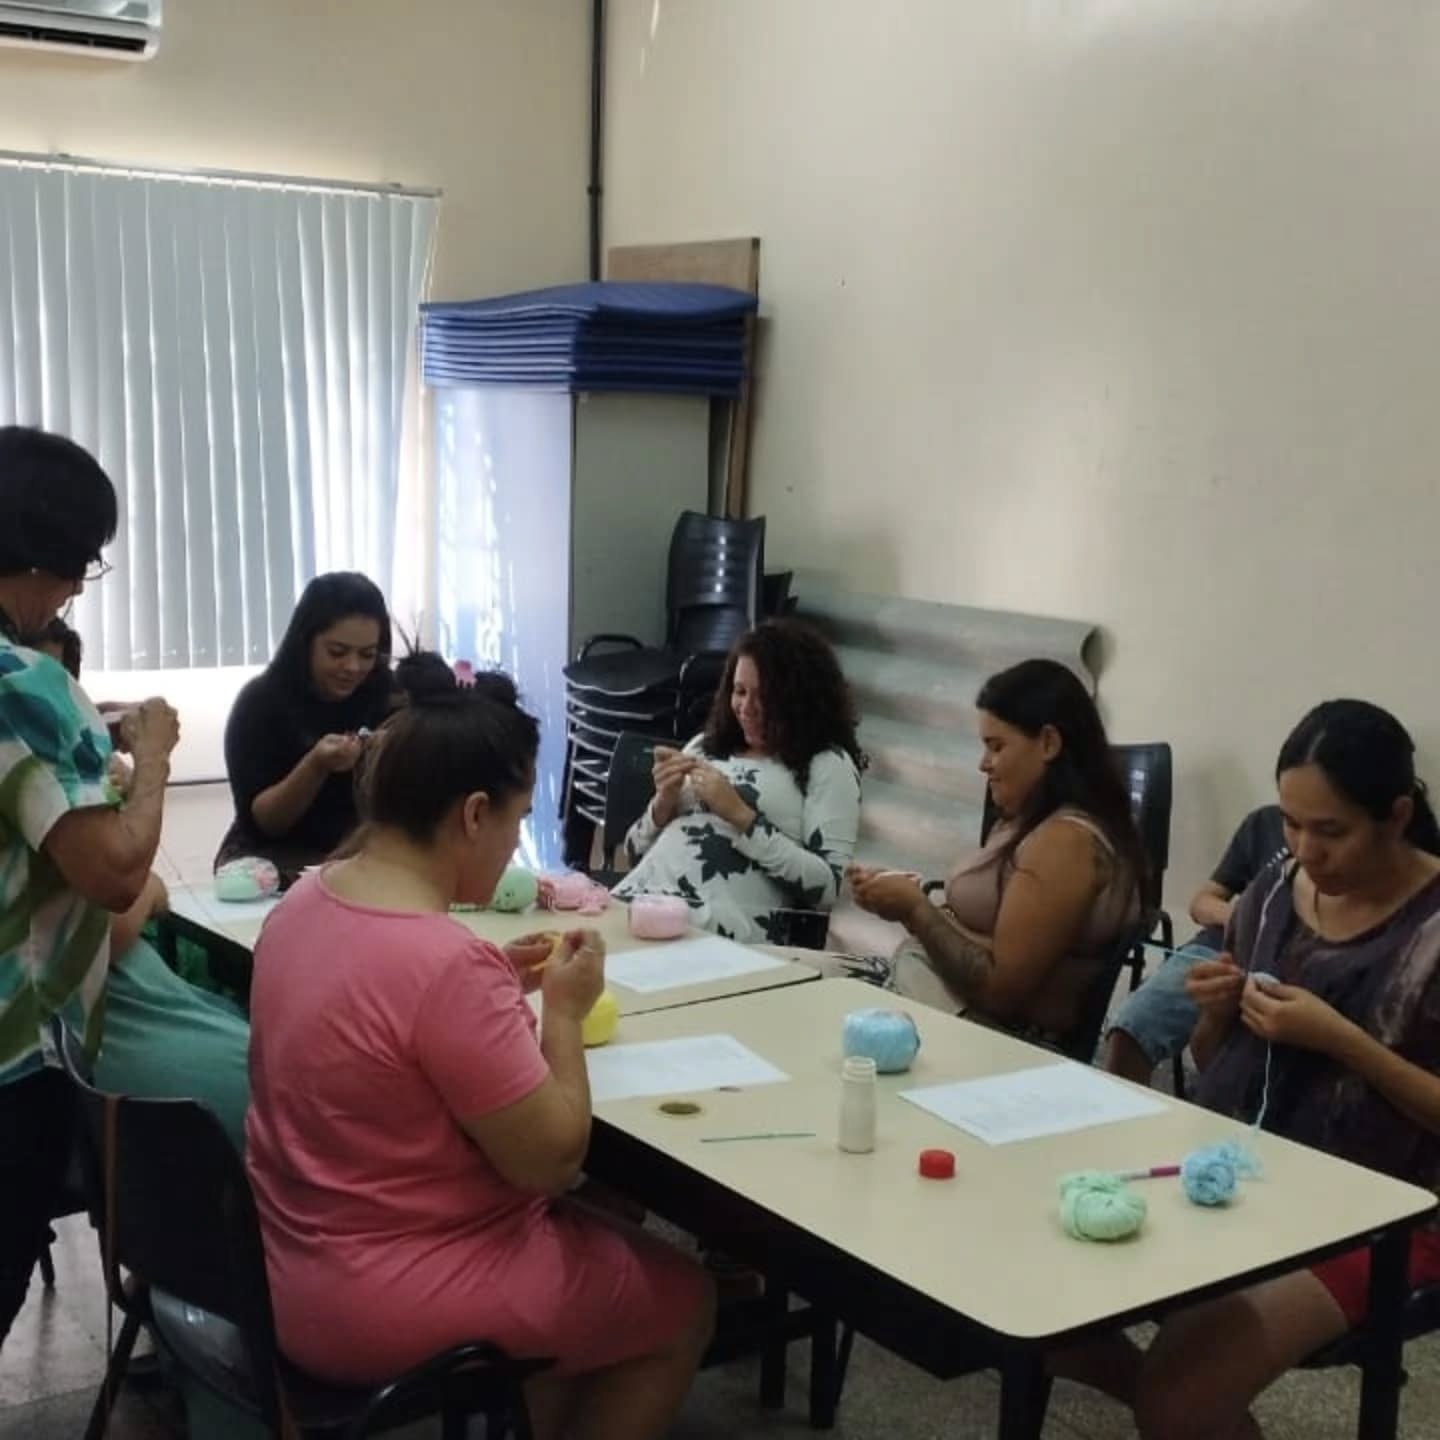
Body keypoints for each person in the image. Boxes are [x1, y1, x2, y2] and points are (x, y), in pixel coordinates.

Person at [245, 658, 713, 1439]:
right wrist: (562, 1015)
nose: (514, 842)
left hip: (285, 1267)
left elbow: (378, 1013)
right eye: (516, 818)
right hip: (387, 1294)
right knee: (685, 1300)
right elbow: (552, 1160)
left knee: (586, 1273)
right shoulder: (444, 965)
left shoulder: (303, 903)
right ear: (471, 815)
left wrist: (493, 979)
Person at [1060, 699, 1440, 1440]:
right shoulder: (1271, 894)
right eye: (1290, 824)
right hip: (1239, 1168)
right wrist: (1217, 1012)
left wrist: (1343, 1040)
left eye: (1330, 831)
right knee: (1047, 1302)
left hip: (1383, 1211)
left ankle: (1179, 1408)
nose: (1305, 850)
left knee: (1180, 1398)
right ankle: (1178, 1407)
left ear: (1397, 816)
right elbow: (1217, 1064)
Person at [0, 426, 180, 1345]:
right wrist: (153, 756)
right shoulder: (25, 681)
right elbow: (114, 871)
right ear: (40, 555)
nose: (74, 590)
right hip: (13, 1055)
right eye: (78, 565)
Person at [846, 658, 1142, 1044]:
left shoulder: (1066, 844)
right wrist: (912, 903)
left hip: (1001, 1039)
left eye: (996, 746)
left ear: (1048, 743)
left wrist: (915, 909)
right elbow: (999, 946)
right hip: (949, 1003)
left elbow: (1000, 989)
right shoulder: (1029, 824)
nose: (983, 764)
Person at [36, 621, 250, 1151]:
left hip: (139, 986)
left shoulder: (74, 767)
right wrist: (150, 768)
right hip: (105, 1018)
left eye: (62, 688)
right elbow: (116, 901)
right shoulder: (34, 778)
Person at [612, 618, 864, 944]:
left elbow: (827, 889)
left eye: (764, 696)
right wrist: (663, 803)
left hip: (717, 931)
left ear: (799, 699)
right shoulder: (705, 746)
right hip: (639, 903)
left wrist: (740, 815)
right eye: (740, 691)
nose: (746, 708)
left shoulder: (826, 764)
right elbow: (633, 851)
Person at [215, 571, 392, 880]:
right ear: (306, 642)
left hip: (357, 855)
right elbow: (264, 824)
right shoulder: (261, 703)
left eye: (367, 655)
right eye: (337, 652)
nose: (353, 667)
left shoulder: (387, 695)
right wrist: (316, 765)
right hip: (271, 858)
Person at [1103, 805, 1287, 1084]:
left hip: (1287, 965)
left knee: (1242, 1064)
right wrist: (1246, 918)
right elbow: (1202, 903)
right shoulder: (1265, 822)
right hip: (1221, 952)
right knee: (1130, 1031)